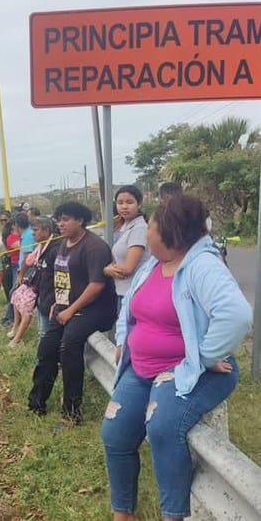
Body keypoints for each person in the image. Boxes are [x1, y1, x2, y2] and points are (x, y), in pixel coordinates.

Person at [101, 195, 252, 521]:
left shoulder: (202, 265)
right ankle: (123, 513)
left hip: (185, 371)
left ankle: (173, 514)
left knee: (163, 428)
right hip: (141, 367)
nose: (146, 232)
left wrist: (203, 357)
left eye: (151, 226)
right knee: (114, 433)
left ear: (169, 234)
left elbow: (237, 315)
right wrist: (124, 340)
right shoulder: (154, 264)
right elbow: (131, 307)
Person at [28, 202, 117, 425]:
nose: (61, 223)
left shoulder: (94, 247)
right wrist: (58, 304)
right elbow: (61, 278)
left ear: (80, 220)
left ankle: (71, 412)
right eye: (59, 219)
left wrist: (71, 309)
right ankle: (36, 404)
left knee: (69, 346)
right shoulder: (63, 245)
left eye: (66, 219)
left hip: (94, 309)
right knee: (47, 347)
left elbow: (96, 286)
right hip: (66, 307)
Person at [8, 217, 57, 348]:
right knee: (16, 296)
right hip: (39, 290)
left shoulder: (55, 248)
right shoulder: (41, 246)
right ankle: (16, 330)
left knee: (32, 315)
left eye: (35, 230)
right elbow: (29, 260)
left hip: (47, 294)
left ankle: (18, 339)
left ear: (46, 230)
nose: (33, 233)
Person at [103, 185, 150, 306]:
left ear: (139, 204)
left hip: (134, 293)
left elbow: (128, 269)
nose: (124, 206)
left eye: (129, 202)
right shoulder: (122, 227)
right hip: (122, 292)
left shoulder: (139, 229)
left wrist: (105, 270)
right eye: (120, 202)